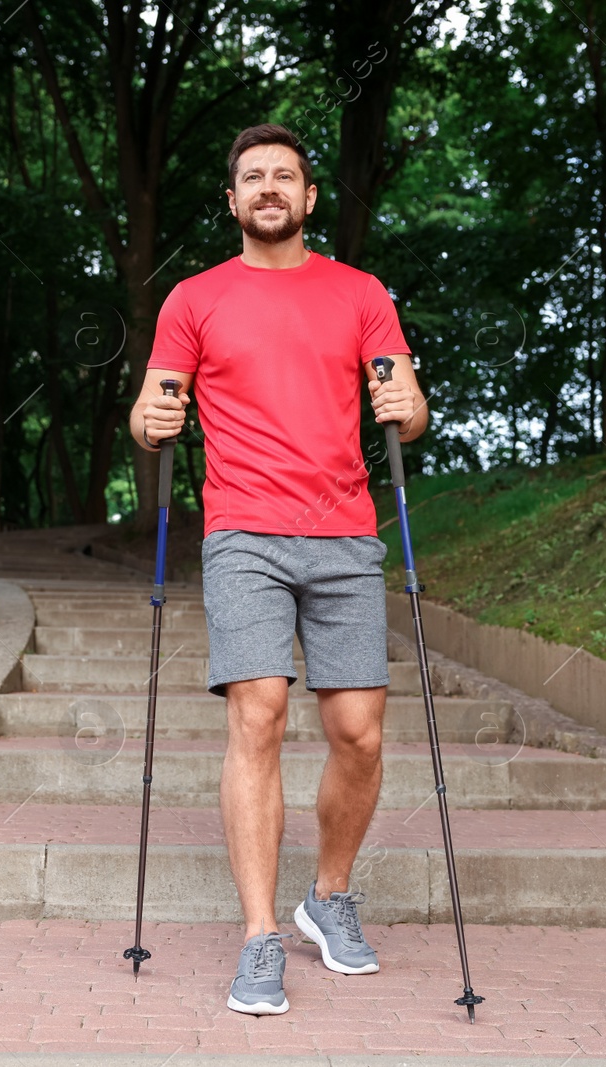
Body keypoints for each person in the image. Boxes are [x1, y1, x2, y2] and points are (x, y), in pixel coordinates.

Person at [130, 123, 429, 1016]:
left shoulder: (361, 292)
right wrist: (150, 422)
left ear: (308, 198)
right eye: (252, 176)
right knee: (257, 713)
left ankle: (326, 896)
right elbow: (154, 414)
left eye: (284, 176)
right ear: (232, 201)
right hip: (244, 535)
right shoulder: (192, 299)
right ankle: (261, 935)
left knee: (359, 735)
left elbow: (402, 409)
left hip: (345, 533)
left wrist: (410, 407)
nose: (269, 187)